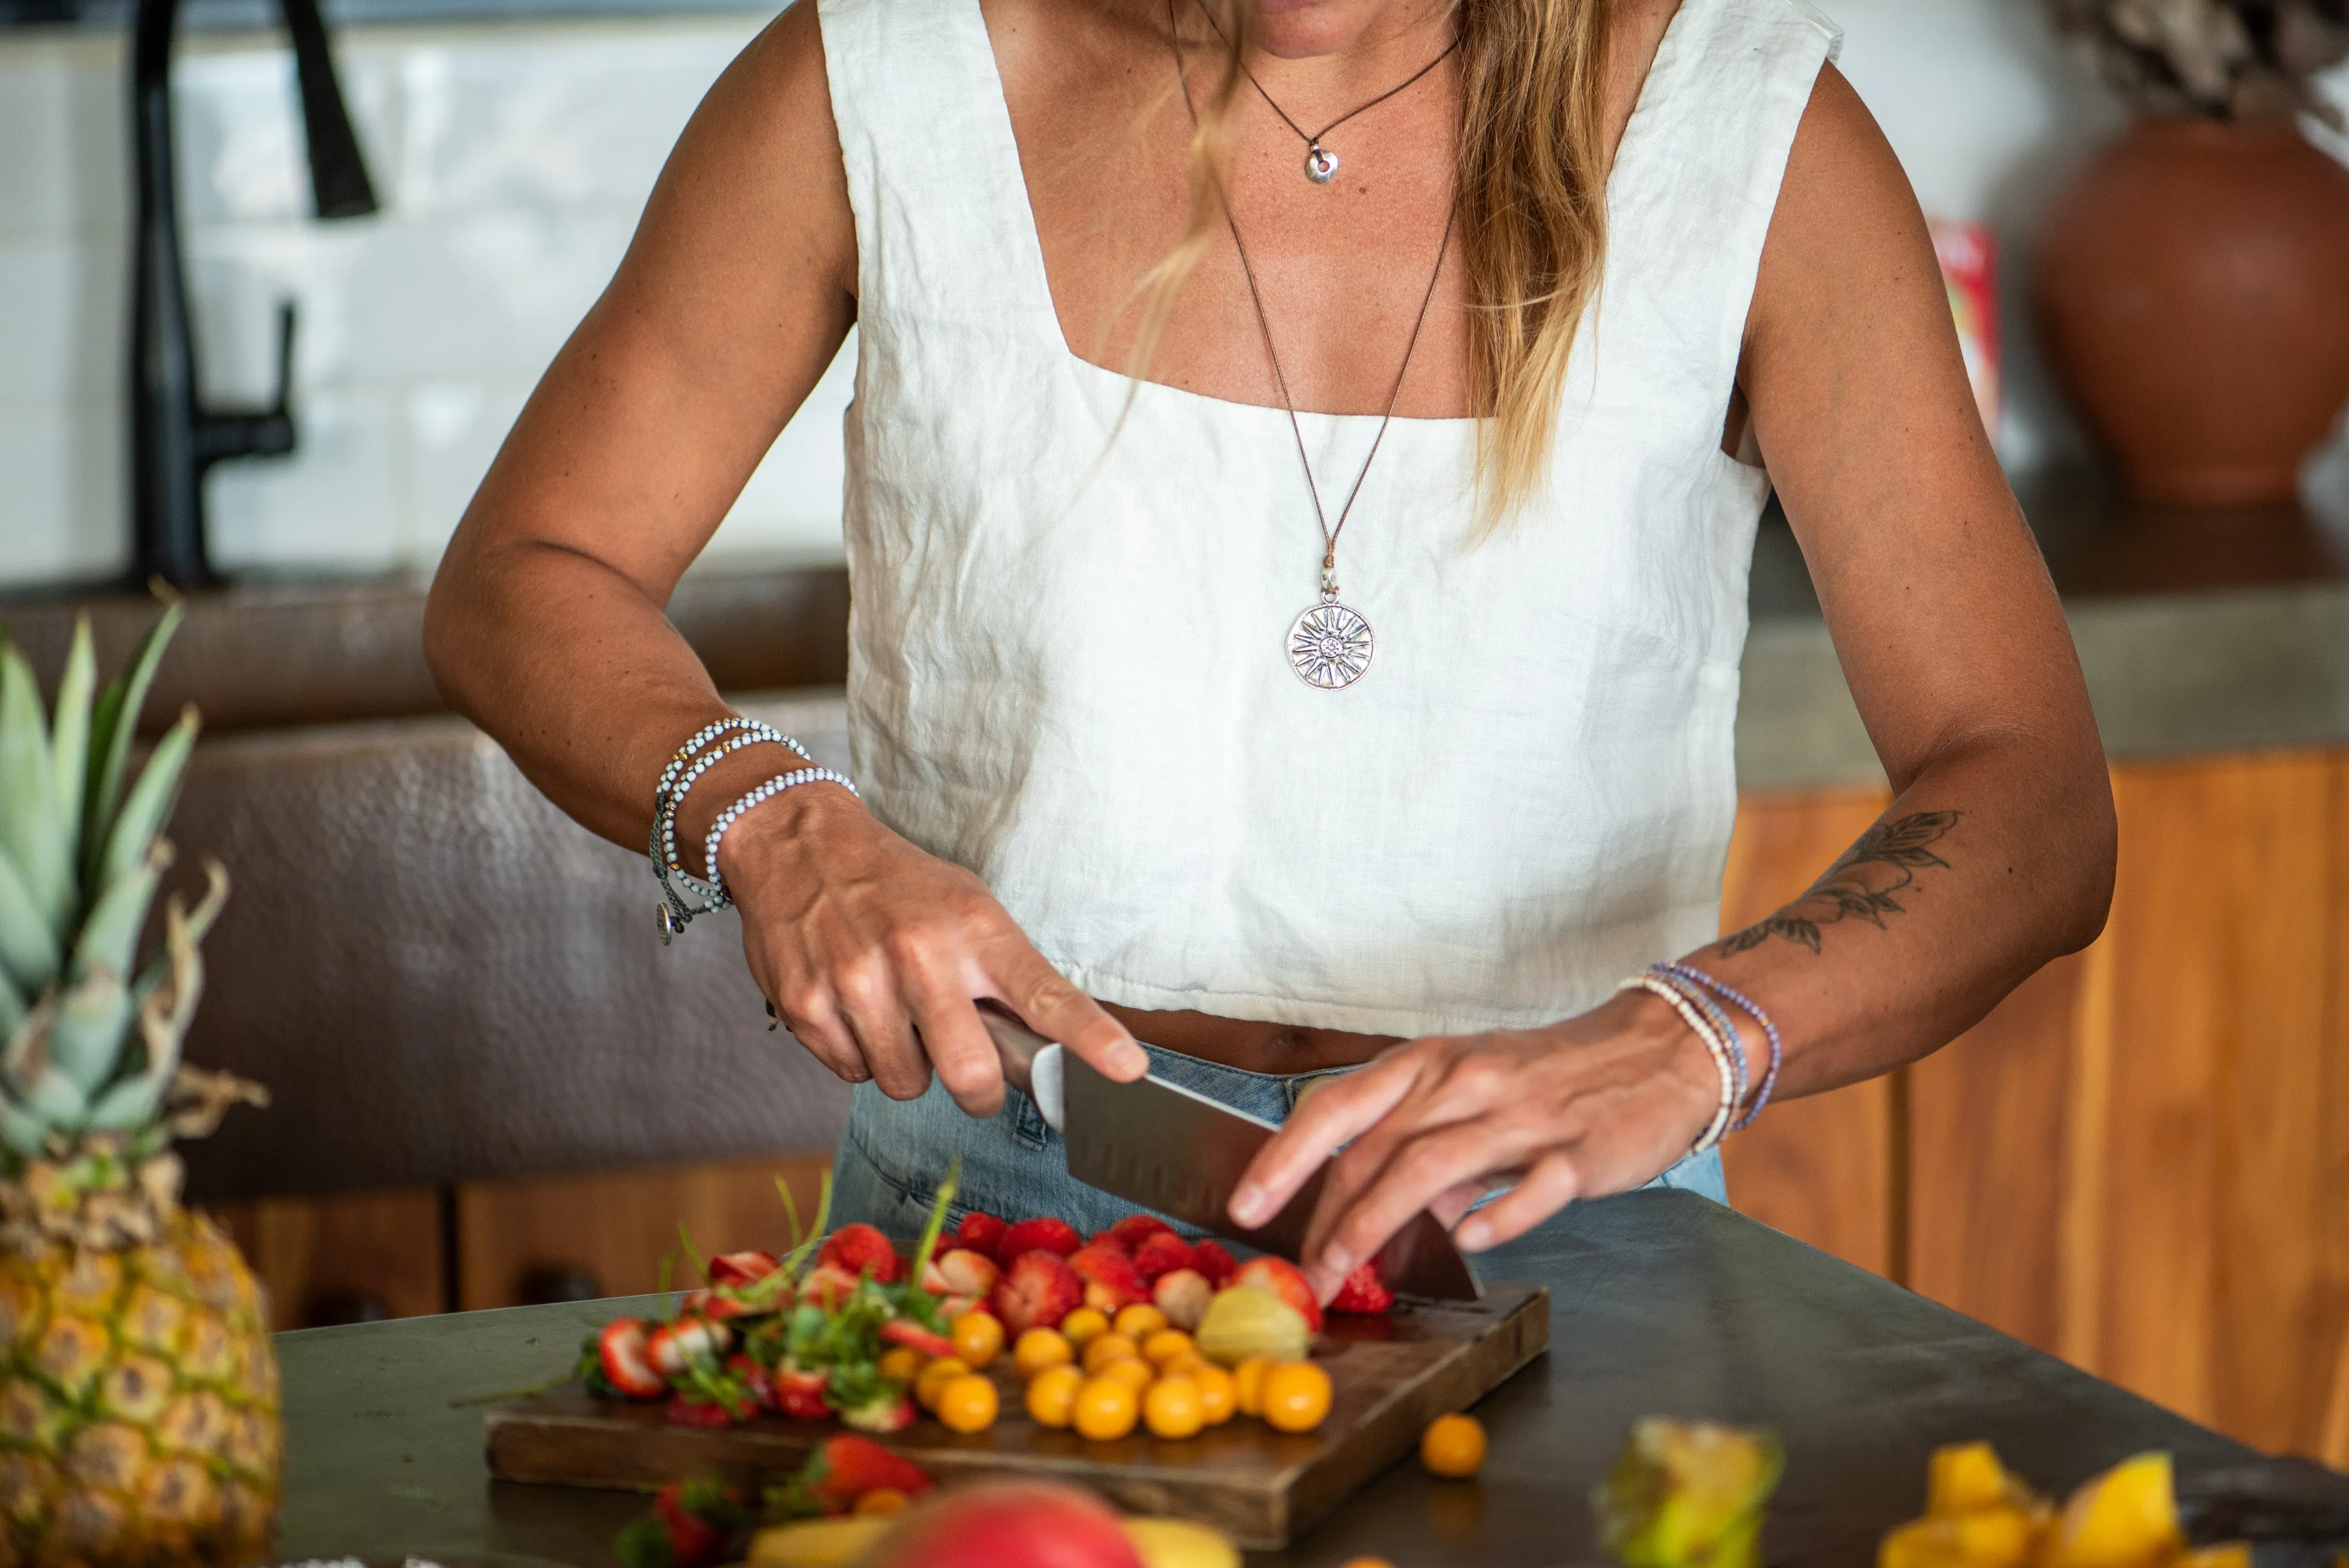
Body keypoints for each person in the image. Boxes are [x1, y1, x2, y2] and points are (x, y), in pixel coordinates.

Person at [424, 0, 2115, 1302]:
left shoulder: (1751, 135)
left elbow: (2031, 797)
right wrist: (776, 819)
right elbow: (527, 571)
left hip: (1557, 1247)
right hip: (988, 1224)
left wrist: (1697, 1037)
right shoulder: (890, 75)